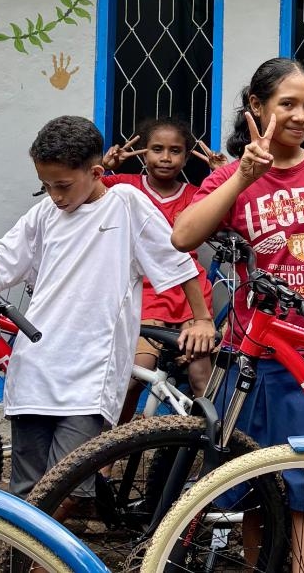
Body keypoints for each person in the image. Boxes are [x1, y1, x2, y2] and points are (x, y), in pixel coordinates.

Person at [172, 58, 304, 573]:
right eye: (287, 104)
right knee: (256, 495)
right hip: (254, 359)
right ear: (257, 107)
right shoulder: (233, 175)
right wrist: (243, 175)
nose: (301, 116)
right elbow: (183, 236)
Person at [0, 115, 215, 500]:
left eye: (63, 185)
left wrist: (202, 318)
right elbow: (1, 254)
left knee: (67, 488)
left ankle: (35, 541)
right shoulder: (45, 214)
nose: (55, 196)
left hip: (90, 374)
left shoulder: (125, 204)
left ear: (96, 173)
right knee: (26, 487)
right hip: (35, 368)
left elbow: (178, 261)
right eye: (46, 185)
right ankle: (25, 542)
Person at [100, 117, 222, 417]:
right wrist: (104, 167)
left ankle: (211, 441)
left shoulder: (197, 195)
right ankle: (113, 442)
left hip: (191, 297)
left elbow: (233, 208)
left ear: (186, 156)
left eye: (175, 150)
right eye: (157, 149)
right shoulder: (124, 186)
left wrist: (223, 175)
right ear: (143, 152)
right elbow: (83, 193)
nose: (166, 158)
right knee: (135, 376)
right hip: (147, 293)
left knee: (201, 378)